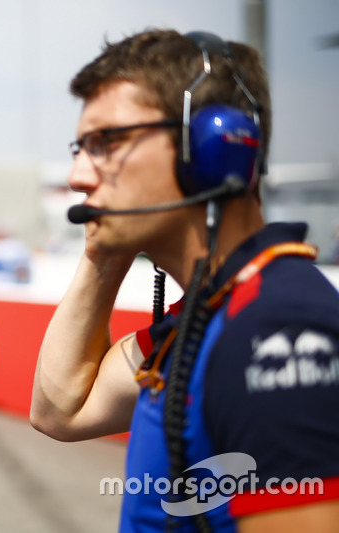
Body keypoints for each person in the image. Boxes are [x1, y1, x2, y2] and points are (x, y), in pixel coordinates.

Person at [30, 29, 339, 532]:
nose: (78, 176)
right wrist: (104, 250)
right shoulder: (206, 316)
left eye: (106, 142)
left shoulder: (276, 327)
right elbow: (59, 410)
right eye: (79, 147)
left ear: (215, 148)